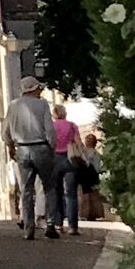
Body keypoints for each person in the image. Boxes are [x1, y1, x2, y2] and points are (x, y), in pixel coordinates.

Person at [4, 75, 58, 241]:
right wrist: (52, 146)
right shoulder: (42, 104)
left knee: (26, 190)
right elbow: (49, 128)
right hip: (41, 146)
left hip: (22, 148)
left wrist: (10, 146)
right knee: (49, 186)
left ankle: (29, 229)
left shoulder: (13, 106)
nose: (40, 91)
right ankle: (50, 224)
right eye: (39, 88)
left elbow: (5, 130)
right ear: (34, 89)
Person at [51, 101, 85, 236]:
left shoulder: (51, 126)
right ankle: (73, 226)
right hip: (70, 159)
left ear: (54, 114)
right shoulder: (72, 126)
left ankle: (58, 224)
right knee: (71, 194)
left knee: (56, 192)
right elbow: (78, 142)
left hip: (54, 159)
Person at [78, 128, 106, 222]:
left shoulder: (83, 152)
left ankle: (85, 214)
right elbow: (98, 167)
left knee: (85, 195)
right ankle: (94, 214)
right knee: (94, 195)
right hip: (93, 176)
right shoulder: (96, 153)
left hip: (85, 175)